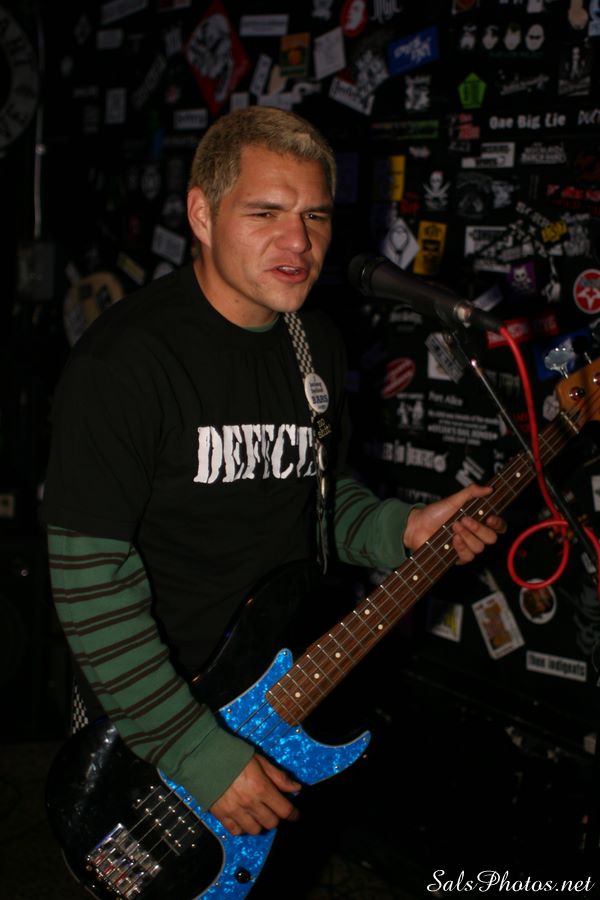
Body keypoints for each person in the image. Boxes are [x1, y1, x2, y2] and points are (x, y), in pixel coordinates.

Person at [42, 106, 504, 872]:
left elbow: (313, 492)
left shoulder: (312, 341)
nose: (298, 242)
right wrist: (194, 750)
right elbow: (90, 589)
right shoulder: (123, 363)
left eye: (315, 216)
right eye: (265, 213)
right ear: (202, 214)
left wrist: (404, 527)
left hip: (272, 693)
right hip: (150, 712)